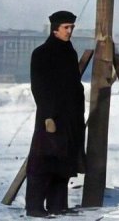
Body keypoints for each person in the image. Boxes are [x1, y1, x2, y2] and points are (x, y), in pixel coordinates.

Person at [25, 11, 85, 218]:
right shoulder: (42, 53)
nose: (70, 31)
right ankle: (33, 207)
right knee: (43, 162)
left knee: (63, 161)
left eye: (71, 27)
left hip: (70, 117)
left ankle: (58, 204)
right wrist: (48, 116)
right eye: (66, 27)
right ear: (55, 29)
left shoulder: (70, 52)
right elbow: (39, 87)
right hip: (51, 117)